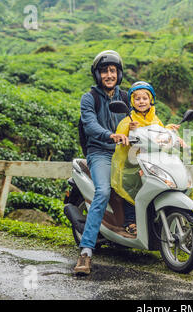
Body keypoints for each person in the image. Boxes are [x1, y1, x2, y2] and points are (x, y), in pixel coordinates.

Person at [74, 50, 130, 275]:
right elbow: (89, 125)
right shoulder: (90, 98)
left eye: (113, 71)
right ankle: (86, 252)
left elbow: (143, 116)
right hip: (100, 153)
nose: (109, 75)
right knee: (103, 191)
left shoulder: (126, 97)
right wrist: (110, 135)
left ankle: (132, 227)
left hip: (125, 152)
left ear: (119, 74)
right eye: (105, 71)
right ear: (98, 75)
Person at [111, 81, 180, 235]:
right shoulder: (128, 120)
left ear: (151, 100)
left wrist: (171, 132)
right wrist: (130, 131)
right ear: (131, 102)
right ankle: (130, 221)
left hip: (153, 161)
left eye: (145, 98)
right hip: (133, 163)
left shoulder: (155, 119)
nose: (141, 102)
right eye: (137, 99)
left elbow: (160, 131)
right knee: (133, 187)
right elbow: (122, 137)